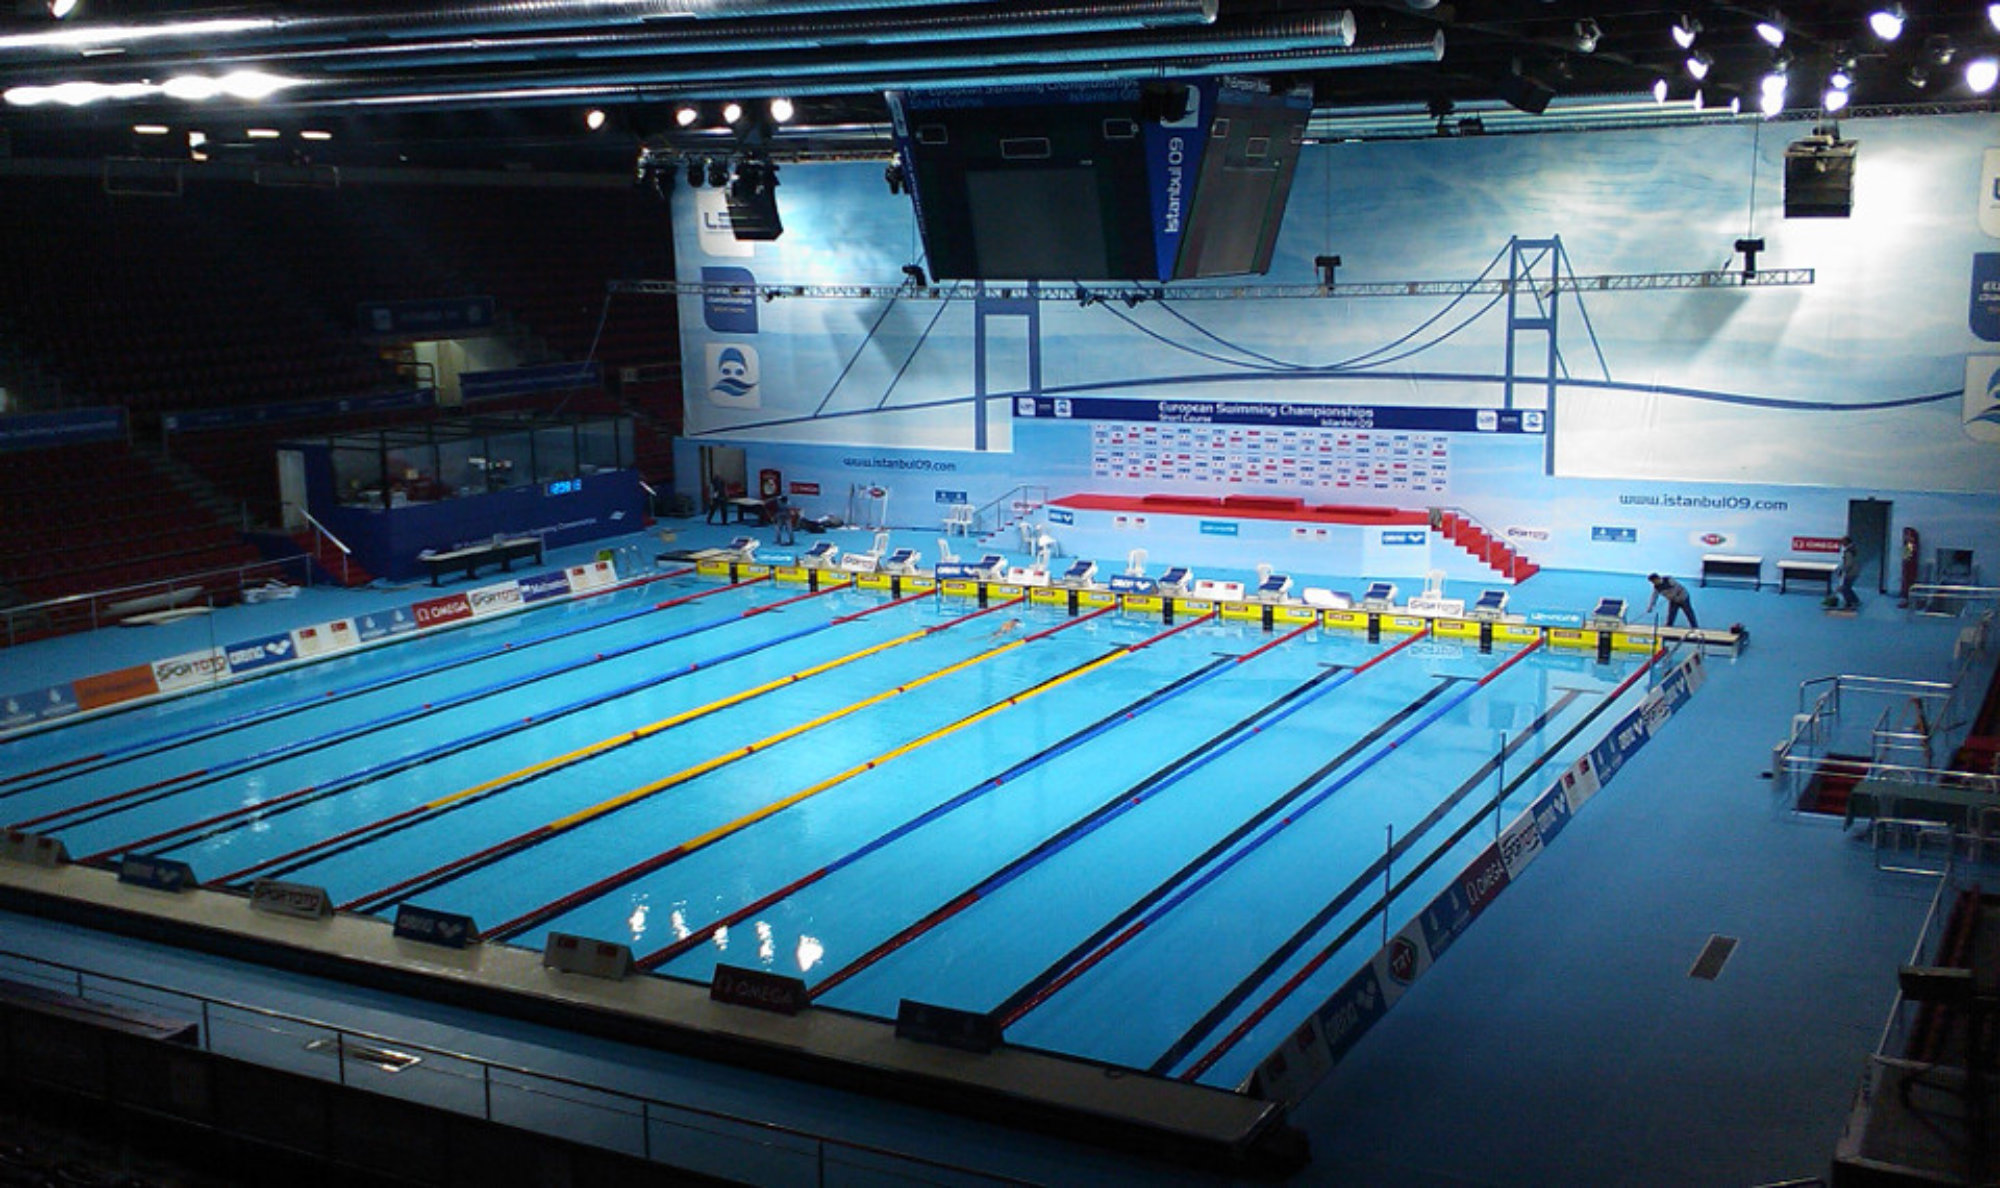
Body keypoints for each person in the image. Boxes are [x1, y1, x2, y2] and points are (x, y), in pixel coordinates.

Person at [1837, 536, 1862, 611]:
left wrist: (1843, 570)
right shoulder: (1853, 549)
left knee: (1845, 589)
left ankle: (1849, 603)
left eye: (1843, 542)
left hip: (1851, 572)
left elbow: (1849, 564)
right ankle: (1855, 601)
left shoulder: (1848, 552)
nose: (1842, 544)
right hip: (1855, 571)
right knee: (1848, 587)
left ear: (1846, 542)